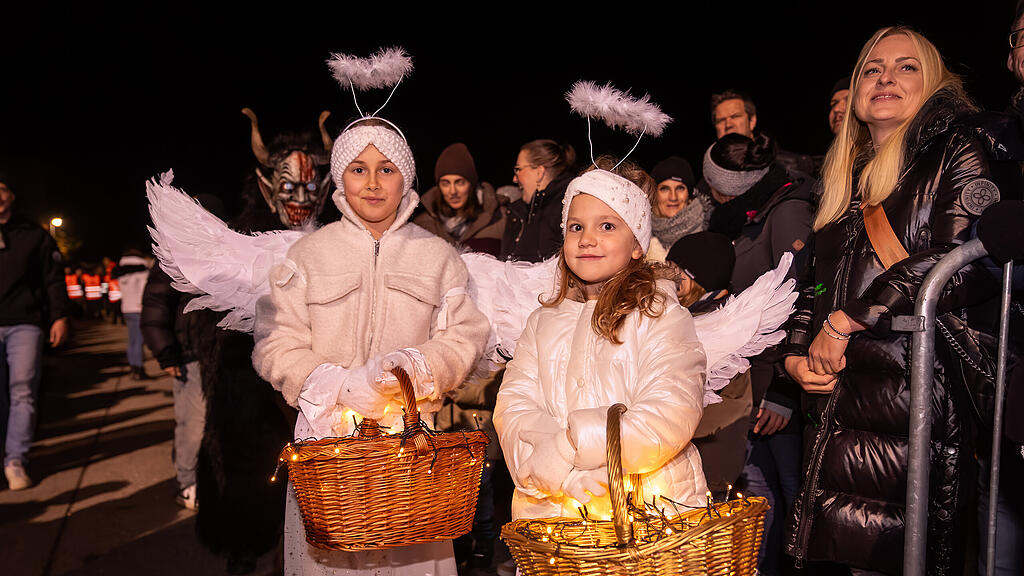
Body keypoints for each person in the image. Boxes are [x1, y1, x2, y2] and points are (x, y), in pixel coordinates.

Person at [781, 26, 1003, 574]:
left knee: (900, 556)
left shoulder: (959, 147)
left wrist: (849, 320)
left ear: (934, 83)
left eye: (907, 66)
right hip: (842, 399)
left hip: (916, 390)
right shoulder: (847, 174)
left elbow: (966, 260)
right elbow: (816, 282)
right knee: (848, 557)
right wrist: (796, 354)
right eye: (872, 69)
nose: (886, 78)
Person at [252, 116, 489, 575]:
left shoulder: (438, 256)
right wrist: (338, 385)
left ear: (406, 179)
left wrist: (417, 365)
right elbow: (275, 340)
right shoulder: (307, 255)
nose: (373, 183)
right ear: (340, 178)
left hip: (410, 448)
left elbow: (465, 335)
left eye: (387, 169)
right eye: (358, 169)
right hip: (326, 449)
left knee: (409, 556)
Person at [494, 156, 708, 524]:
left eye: (607, 226)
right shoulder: (541, 322)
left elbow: (670, 412)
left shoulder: (660, 316)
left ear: (637, 244)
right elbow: (514, 409)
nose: (587, 239)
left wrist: (571, 445)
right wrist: (560, 473)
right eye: (575, 227)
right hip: (552, 514)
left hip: (647, 513)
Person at [703, 131, 814, 575]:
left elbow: (802, 295)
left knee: (795, 496)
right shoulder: (751, 216)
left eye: (712, 184)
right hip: (755, 380)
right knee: (762, 492)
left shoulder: (787, 213)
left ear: (729, 187)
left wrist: (784, 392)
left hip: (782, 386)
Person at [664, 232, 749, 503]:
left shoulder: (717, 326)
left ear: (695, 276)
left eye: (673, 268)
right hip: (696, 457)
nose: (667, 276)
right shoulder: (698, 316)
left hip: (709, 460)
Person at [0, 172, 69, 490]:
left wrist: (59, 316)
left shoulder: (34, 235)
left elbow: (53, 279)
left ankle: (15, 459)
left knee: (22, 390)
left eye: (2, 189)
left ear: (12, 195)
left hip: (25, 323)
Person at [414, 142, 507, 257]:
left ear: (471, 185)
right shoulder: (423, 225)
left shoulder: (500, 218)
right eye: (445, 183)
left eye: (460, 182)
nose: (453, 191)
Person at [500, 139, 576, 263]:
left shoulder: (569, 207)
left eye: (518, 169)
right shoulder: (518, 211)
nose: (514, 179)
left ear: (539, 172)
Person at [709, 89, 817, 176]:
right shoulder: (708, 180)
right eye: (721, 120)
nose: (728, 124)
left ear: (752, 121)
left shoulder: (790, 167)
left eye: (735, 116)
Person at [648, 156, 711, 257]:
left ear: (689, 194)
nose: (673, 197)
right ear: (654, 194)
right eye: (665, 189)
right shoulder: (640, 239)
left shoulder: (711, 228)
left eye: (680, 188)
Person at [112, 250, 150, 380]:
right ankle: (139, 369)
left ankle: (134, 367)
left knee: (132, 340)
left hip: (126, 308)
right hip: (138, 308)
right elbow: (145, 291)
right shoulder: (142, 272)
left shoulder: (121, 272)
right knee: (139, 340)